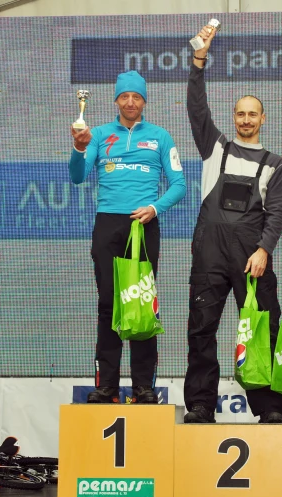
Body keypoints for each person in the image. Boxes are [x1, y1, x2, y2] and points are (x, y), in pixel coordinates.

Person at [183, 23, 282, 424]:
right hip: (209, 255)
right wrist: (199, 60)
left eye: (252, 114)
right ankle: (200, 405)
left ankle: (271, 408)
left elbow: (277, 213)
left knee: (263, 330)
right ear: (234, 117)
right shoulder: (215, 148)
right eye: (240, 114)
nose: (246, 120)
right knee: (201, 331)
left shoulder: (275, 164)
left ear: (263, 118)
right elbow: (196, 107)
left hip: (252, 259)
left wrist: (264, 250)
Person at [69, 70, 186, 404]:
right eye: (125, 96)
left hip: (143, 226)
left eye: (137, 97)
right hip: (108, 225)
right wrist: (78, 149)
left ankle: (143, 387)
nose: (131, 102)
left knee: (142, 304)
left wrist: (154, 207)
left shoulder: (160, 136)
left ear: (144, 101)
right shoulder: (100, 134)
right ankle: (106, 385)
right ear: (116, 100)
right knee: (108, 305)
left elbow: (178, 184)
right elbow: (78, 177)